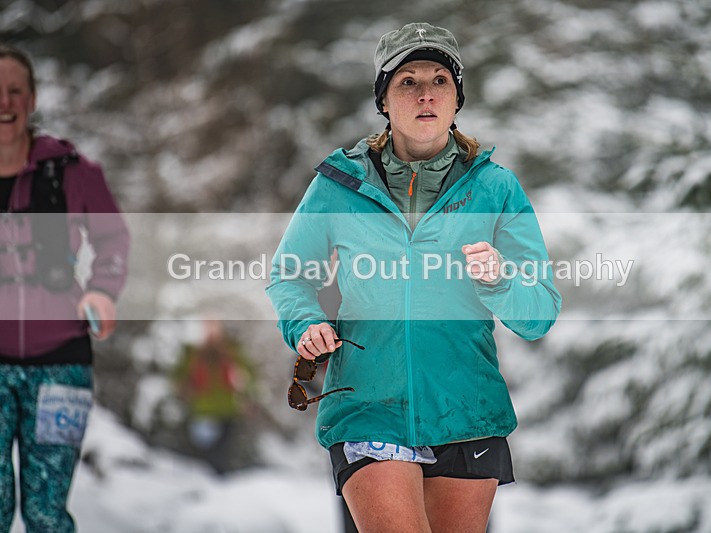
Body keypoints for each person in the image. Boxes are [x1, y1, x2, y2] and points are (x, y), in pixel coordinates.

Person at [267, 22, 561, 533]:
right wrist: (305, 323)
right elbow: (289, 275)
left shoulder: (495, 188)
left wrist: (500, 280)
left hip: (467, 411)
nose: (426, 93)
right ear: (384, 100)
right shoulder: (340, 185)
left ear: (456, 98)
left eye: (440, 80)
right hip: (367, 405)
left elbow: (539, 314)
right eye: (408, 81)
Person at [0, 44, 129, 533]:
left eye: (15, 91)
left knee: (46, 513)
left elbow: (112, 238)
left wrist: (103, 290)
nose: (4, 102)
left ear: (31, 100)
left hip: (62, 366)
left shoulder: (71, 172)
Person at [172, 319, 256, 474]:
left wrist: (247, 397)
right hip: (203, 411)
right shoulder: (192, 352)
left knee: (221, 456)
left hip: (228, 410)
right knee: (203, 454)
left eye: (214, 327)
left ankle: (217, 487)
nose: (211, 332)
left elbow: (248, 375)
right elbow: (179, 377)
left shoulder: (231, 350)